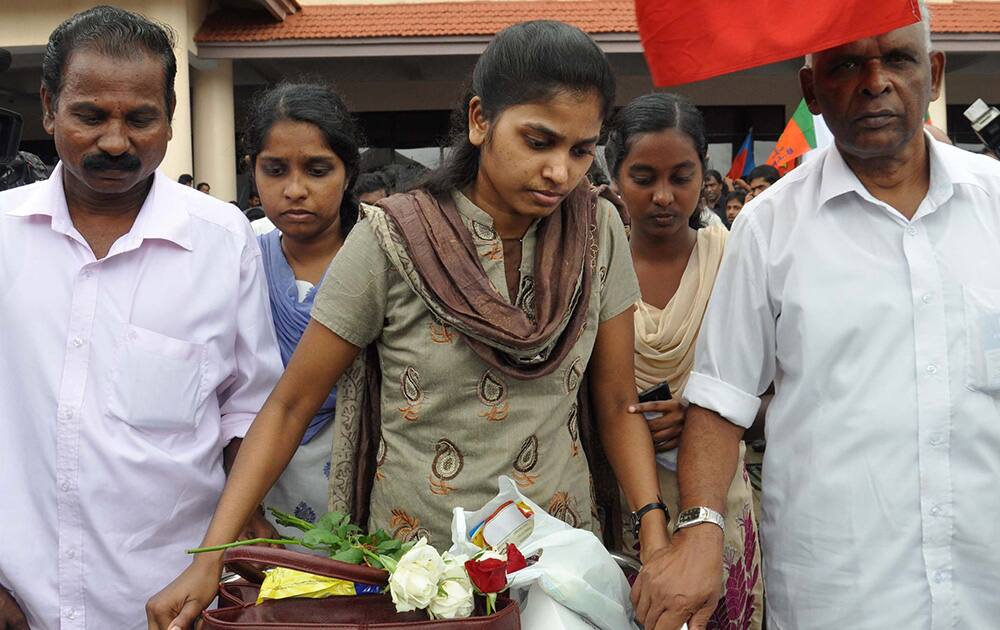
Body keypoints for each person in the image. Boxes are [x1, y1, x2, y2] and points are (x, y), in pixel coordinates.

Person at [147, 20, 670, 628]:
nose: (560, 171)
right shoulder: (393, 238)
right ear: (480, 121)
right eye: (539, 141)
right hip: (417, 574)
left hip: (560, 563)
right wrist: (213, 555)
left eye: (581, 150)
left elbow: (614, 400)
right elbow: (290, 405)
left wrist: (653, 535)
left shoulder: (597, 229)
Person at [638, 6, 1000, 629]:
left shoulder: (995, 205)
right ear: (811, 89)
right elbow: (722, 401)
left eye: (900, 59)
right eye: (847, 64)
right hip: (840, 591)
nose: (875, 81)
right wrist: (699, 531)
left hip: (984, 579)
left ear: (934, 73)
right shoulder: (769, 227)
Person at [0, 6, 283, 629]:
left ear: (172, 114)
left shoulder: (221, 239)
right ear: (50, 107)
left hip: (171, 601)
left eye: (140, 118)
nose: (115, 141)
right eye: (90, 115)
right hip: (17, 597)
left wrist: (222, 552)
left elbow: (250, 412)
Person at [606, 93, 762, 630]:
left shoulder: (735, 259)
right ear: (615, 175)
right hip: (618, 499)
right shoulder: (592, 266)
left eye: (682, 176)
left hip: (721, 501)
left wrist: (705, 414)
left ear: (704, 173)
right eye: (643, 177)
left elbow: (776, 386)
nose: (664, 196)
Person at [247, 81, 363, 535]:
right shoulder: (243, 262)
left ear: (348, 172)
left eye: (317, 170)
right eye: (275, 170)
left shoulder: (380, 262)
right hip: (264, 472)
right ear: (252, 171)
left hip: (366, 468)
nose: (295, 189)